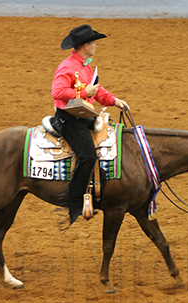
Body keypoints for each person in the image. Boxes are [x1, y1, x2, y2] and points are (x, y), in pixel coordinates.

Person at [51, 24, 129, 224]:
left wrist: (114, 101)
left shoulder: (84, 66)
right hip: (68, 119)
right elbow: (58, 93)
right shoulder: (68, 67)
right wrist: (85, 93)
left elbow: (97, 90)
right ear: (86, 45)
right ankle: (74, 202)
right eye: (94, 43)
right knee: (87, 155)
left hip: (83, 115)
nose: (96, 46)